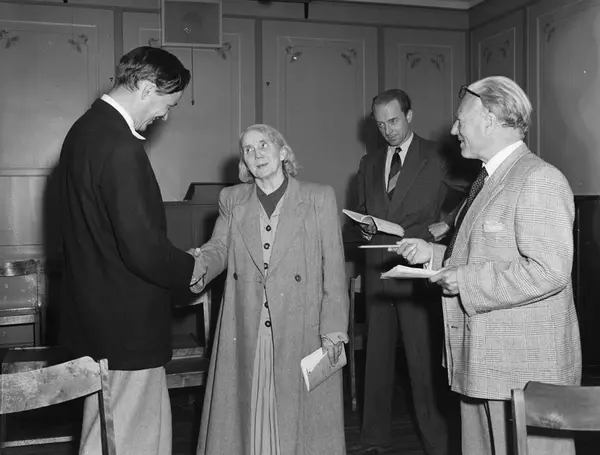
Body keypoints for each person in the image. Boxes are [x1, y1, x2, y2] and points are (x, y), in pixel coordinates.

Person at [393, 76, 582, 455]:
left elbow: (549, 271)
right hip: (484, 363)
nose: (453, 130)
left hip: (525, 371)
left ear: (491, 119)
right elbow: (484, 253)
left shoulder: (539, 179)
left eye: (460, 120)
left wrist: (464, 280)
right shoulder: (488, 179)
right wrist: (434, 255)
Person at [57, 46, 205, 455]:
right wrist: (191, 268)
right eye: (167, 104)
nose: (165, 116)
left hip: (97, 320)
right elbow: (143, 249)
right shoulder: (121, 147)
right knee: (134, 437)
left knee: (105, 431)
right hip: (128, 325)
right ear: (146, 87)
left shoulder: (84, 131)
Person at [192, 124, 349, 455]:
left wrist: (334, 328)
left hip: (301, 325)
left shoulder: (319, 197)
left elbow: (334, 269)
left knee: (301, 421)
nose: (257, 153)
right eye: (248, 149)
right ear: (243, 162)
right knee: (250, 413)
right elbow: (218, 248)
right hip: (248, 325)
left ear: (283, 152)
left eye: (264, 145)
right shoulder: (232, 199)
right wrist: (197, 264)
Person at [356, 89, 468, 455]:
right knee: (376, 357)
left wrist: (448, 223)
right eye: (380, 124)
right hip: (377, 268)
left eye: (393, 121)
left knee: (422, 360)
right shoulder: (369, 162)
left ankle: (437, 442)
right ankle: (374, 437)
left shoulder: (437, 154)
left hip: (417, 268)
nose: (387, 130)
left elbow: (476, 192)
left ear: (409, 115)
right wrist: (365, 226)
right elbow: (365, 209)